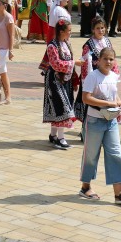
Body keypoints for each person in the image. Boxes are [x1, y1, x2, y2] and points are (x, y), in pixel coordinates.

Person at [79, 47, 121, 204]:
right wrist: (107, 103)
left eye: (111, 59)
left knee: (115, 153)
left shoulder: (114, 76)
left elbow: (114, 93)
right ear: (98, 60)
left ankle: (119, 194)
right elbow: (86, 98)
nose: (108, 62)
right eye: (105, 59)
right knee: (91, 155)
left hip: (111, 122)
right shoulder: (93, 76)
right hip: (94, 121)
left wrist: (118, 101)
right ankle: (85, 187)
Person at [41, 19, 81, 149]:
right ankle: (61, 138)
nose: (70, 33)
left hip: (66, 80)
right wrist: (74, 63)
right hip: (55, 80)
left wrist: (74, 80)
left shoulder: (67, 43)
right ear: (61, 31)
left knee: (60, 106)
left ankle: (53, 135)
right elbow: (56, 64)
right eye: (69, 31)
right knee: (62, 108)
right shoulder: (52, 46)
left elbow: (70, 61)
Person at [75, 18, 120, 125]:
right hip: (93, 78)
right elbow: (85, 63)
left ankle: (106, 123)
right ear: (93, 30)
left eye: (102, 28)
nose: (100, 30)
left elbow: (113, 58)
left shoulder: (107, 41)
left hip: (106, 76)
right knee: (91, 104)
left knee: (107, 99)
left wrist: (115, 74)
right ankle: (86, 129)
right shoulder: (88, 44)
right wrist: (86, 80)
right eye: (98, 28)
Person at [0, 0, 14, 104]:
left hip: (4, 49)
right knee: (3, 72)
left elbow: (12, 35)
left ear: (4, 5)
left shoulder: (8, 17)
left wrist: (11, 51)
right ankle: (8, 97)